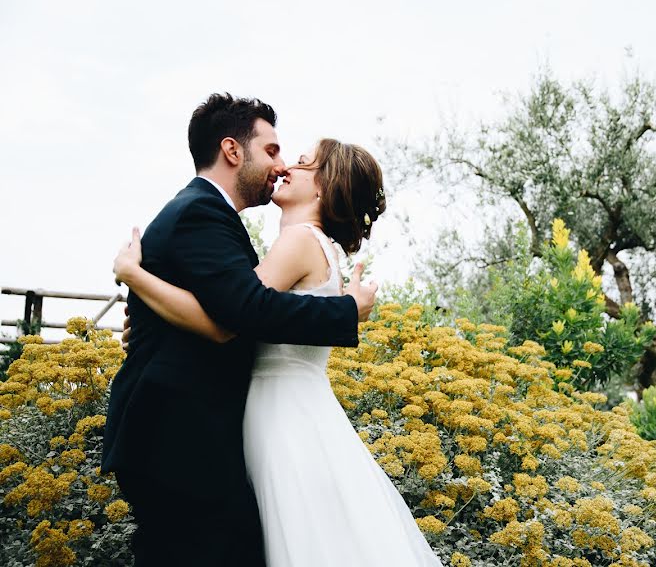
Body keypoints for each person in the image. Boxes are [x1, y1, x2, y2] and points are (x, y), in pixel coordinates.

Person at [112, 137, 443, 566]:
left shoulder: (300, 241)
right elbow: (243, 311)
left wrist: (134, 277)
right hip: (300, 408)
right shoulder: (315, 246)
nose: (287, 166)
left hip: (281, 413)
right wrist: (156, 326)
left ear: (323, 186)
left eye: (303, 164)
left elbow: (232, 317)